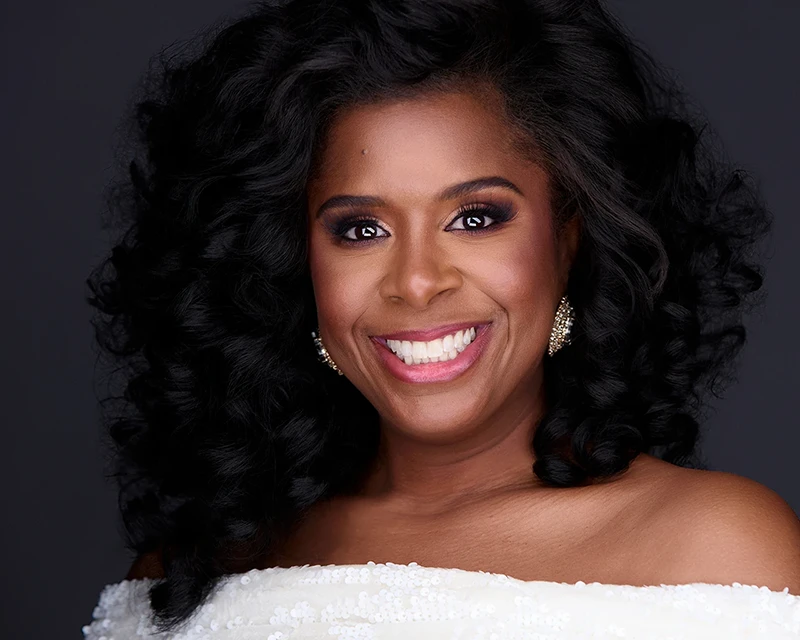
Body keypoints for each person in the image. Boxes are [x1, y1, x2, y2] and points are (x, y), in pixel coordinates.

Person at [82, 0, 800, 637]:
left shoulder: (718, 549)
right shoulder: (194, 566)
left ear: (570, 237)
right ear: (290, 262)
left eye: (476, 217)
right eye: (361, 230)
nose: (418, 282)